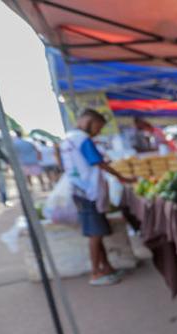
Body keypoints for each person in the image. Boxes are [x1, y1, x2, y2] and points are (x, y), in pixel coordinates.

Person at [60, 108, 132, 286]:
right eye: (98, 127)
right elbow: (98, 163)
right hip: (88, 192)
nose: (97, 132)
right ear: (88, 121)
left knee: (96, 232)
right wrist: (122, 177)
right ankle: (95, 273)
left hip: (78, 190)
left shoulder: (68, 139)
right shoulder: (83, 140)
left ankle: (106, 267)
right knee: (95, 234)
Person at [0, 141, 8, 205]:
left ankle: (4, 199)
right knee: (1, 184)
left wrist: (7, 162)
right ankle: (3, 199)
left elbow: (2, 155)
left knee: (1, 184)